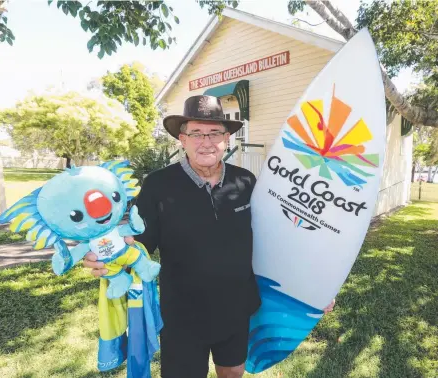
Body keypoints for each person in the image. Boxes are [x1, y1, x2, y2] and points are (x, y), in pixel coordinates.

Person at [84, 95, 335, 378]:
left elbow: (272, 242)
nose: (206, 141)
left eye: (214, 133)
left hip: (237, 310)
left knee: (232, 373)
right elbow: (140, 244)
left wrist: (311, 289)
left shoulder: (246, 181)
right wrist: (112, 256)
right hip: (182, 315)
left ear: (226, 138)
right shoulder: (158, 185)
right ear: (182, 139)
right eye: (197, 133)